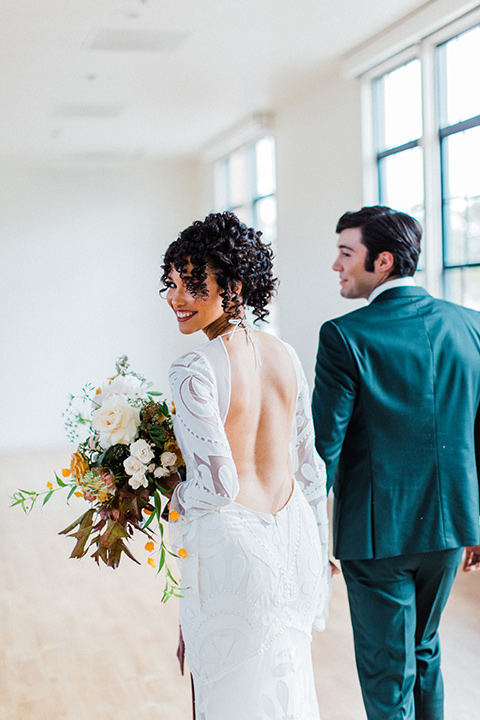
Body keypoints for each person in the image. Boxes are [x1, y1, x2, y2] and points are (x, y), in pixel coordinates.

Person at [160, 211, 331, 720]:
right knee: (285, 690)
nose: (176, 299)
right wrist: (321, 554)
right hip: (291, 542)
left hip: (232, 552)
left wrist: (169, 494)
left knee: (222, 695)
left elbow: (216, 485)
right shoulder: (287, 356)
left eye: (192, 285)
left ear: (234, 286)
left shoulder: (194, 368)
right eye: (171, 284)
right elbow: (312, 470)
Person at [312, 205, 480, 720]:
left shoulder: (345, 336)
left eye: (346, 253)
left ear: (382, 261)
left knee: (388, 674)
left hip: (376, 535)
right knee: (424, 651)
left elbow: (325, 449)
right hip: (452, 528)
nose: (336, 265)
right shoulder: (471, 325)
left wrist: (309, 536)